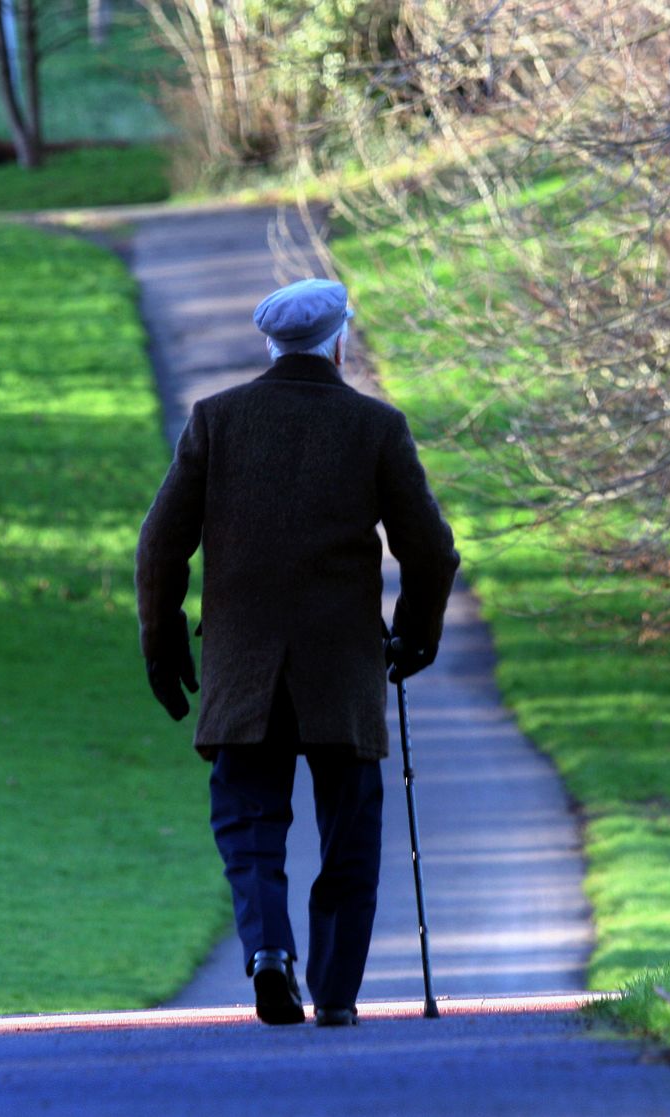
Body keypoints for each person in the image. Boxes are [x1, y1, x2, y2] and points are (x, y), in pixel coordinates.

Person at [135, 278, 459, 1027]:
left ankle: (269, 953)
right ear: (340, 342)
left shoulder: (216, 420)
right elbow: (431, 553)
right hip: (341, 670)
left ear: (270, 344)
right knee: (351, 825)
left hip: (242, 669)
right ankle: (337, 992)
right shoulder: (375, 425)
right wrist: (416, 632)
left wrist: (161, 642)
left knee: (249, 819)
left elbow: (160, 543)